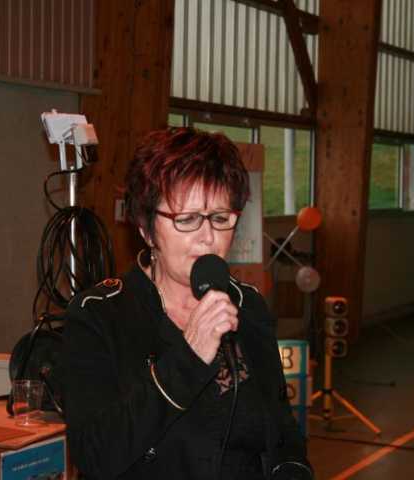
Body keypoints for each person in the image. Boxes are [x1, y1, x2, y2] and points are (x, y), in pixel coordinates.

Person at [62, 127, 311, 479]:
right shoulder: (100, 315)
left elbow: (282, 432)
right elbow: (95, 456)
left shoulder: (248, 305)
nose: (208, 237)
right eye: (187, 219)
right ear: (146, 227)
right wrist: (189, 357)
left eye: (220, 218)